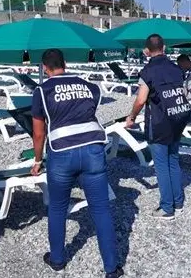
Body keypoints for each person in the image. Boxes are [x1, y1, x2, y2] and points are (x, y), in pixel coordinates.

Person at [31, 49, 123, 278]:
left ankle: (57, 259)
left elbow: (39, 133)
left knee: (58, 208)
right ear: (65, 64)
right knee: (101, 209)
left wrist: (37, 160)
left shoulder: (42, 91)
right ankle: (112, 268)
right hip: (93, 150)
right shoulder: (89, 87)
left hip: (62, 154)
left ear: (45, 68)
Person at [125, 34, 191, 220]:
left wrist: (131, 118)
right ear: (164, 47)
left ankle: (167, 208)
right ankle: (178, 202)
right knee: (173, 160)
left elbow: (140, 100)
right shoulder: (176, 68)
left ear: (147, 51)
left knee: (161, 165)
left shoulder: (148, 71)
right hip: (177, 118)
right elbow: (184, 92)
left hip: (160, 122)